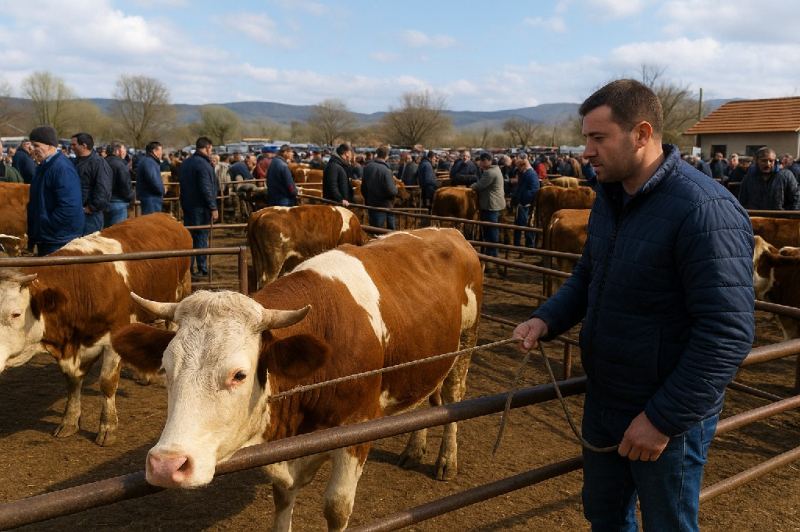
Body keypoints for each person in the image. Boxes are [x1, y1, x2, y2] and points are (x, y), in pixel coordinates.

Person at [513, 79, 754, 531]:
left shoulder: (704, 209)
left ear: (641, 134)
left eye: (598, 137)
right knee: (604, 516)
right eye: (586, 137)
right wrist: (546, 319)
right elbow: (589, 275)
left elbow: (727, 333)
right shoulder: (610, 197)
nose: (586, 151)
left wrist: (662, 420)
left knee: (667, 525)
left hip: (665, 412)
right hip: (606, 397)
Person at [26, 126, 84, 256]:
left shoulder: (62, 168)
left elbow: (69, 207)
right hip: (49, 236)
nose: (32, 149)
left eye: (36, 145)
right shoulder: (44, 167)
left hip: (59, 238)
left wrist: (47, 225)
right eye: (31, 145)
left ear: (50, 145)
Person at [178, 137, 218, 279]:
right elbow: (205, 188)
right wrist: (213, 207)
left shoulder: (186, 163)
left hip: (188, 205)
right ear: (207, 147)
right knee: (201, 236)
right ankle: (202, 268)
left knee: (190, 236)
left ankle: (188, 268)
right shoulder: (203, 165)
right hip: (200, 206)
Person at [71, 132, 112, 235]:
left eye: (74, 144)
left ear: (84, 146)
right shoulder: (75, 162)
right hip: (76, 213)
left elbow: (103, 189)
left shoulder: (98, 163)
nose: (71, 147)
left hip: (90, 216)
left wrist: (92, 208)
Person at [471, 152, 505, 268]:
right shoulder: (494, 170)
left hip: (491, 204)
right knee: (490, 230)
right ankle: (490, 255)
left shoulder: (490, 172)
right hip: (493, 203)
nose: (481, 162)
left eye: (483, 160)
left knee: (491, 231)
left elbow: (480, 185)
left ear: (488, 161)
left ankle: (492, 257)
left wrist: (471, 187)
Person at [360, 145, 396, 230]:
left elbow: (363, 187)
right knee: (387, 231)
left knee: (374, 229)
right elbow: (392, 191)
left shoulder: (367, 167)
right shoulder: (386, 171)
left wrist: (367, 199)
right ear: (387, 156)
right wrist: (392, 196)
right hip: (383, 205)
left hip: (371, 204)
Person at [511, 153, 540, 248]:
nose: (519, 169)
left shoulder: (531, 174)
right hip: (523, 203)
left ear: (523, 166)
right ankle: (519, 243)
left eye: (520, 167)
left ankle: (529, 244)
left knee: (527, 225)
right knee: (521, 224)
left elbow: (533, 190)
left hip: (526, 205)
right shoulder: (528, 174)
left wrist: (524, 200)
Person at [103, 141, 134, 227]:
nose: (125, 153)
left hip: (105, 202)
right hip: (118, 202)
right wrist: (131, 197)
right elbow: (125, 184)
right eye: (124, 150)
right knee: (118, 230)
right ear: (117, 151)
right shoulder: (120, 164)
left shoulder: (103, 162)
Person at [136, 141, 166, 216]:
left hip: (148, 197)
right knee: (152, 220)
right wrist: (162, 190)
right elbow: (153, 180)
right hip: (151, 198)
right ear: (154, 151)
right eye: (160, 151)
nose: (161, 154)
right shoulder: (150, 162)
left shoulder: (146, 160)